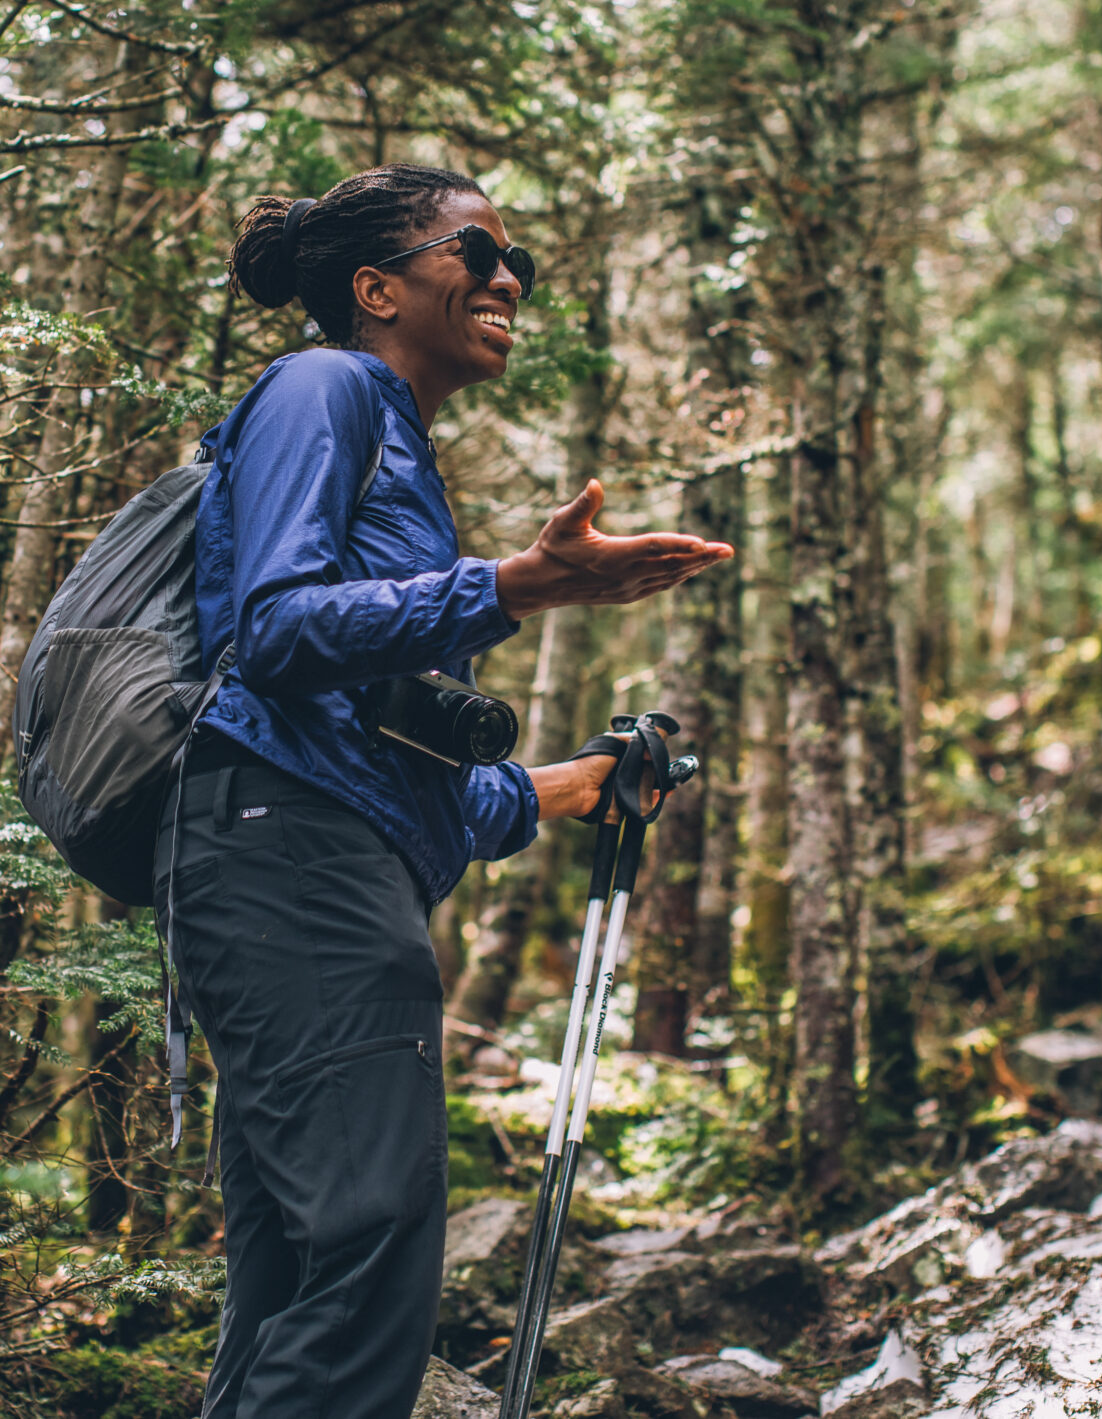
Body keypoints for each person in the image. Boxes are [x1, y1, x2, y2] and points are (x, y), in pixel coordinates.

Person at [168, 165, 733, 1419]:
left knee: (307, 1268)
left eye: (509, 257)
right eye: (474, 251)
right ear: (377, 289)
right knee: (366, 1249)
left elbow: (382, 768)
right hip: (286, 865)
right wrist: (513, 588)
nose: (506, 278)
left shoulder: (395, 449)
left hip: (315, 856)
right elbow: (269, 631)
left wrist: (573, 787)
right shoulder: (326, 387)